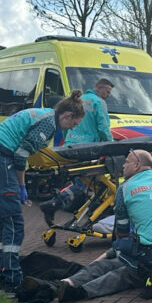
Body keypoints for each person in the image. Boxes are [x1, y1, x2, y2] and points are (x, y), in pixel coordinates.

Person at [23, 149, 152, 302]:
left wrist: (116, 249)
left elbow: (121, 232)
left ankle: (79, 290)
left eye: (126, 162)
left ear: (137, 165)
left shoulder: (125, 189)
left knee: (120, 264)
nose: (122, 166)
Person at [0, 91, 86, 291]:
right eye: (74, 123)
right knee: (13, 222)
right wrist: (20, 185)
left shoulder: (42, 114)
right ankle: (11, 279)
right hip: (2, 159)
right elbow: (21, 155)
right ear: (67, 115)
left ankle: (2, 272)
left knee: (3, 221)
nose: (72, 128)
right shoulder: (49, 124)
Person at [40, 78, 115, 225]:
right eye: (107, 91)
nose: (108, 95)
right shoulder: (99, 103)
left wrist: (69, 141)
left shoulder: (79, 100)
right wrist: (111, 147)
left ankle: (61, 203)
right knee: (88, 182)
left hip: (71, 146)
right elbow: (103, 128)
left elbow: (68, 127)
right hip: (88, 149)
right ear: (99, 88)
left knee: (81, 181)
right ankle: (56, 203)